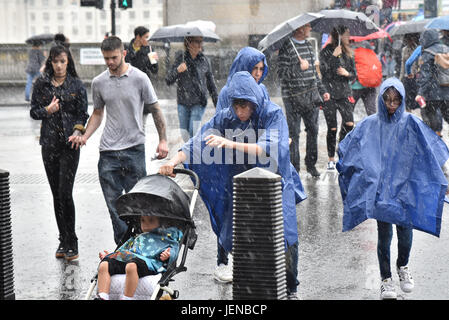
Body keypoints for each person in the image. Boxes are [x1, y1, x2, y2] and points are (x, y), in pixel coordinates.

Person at [159, 71, 307, 299]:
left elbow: (265, 148)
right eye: (236, 107)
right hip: (242, 186)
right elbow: (196, 143)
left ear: (254, 102)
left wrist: (229, 142)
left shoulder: (271, 114)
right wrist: (172, 161)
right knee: (243, 236)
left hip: (275, 184)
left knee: (285, 236)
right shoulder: (225, 117)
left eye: (244, 107)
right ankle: (252, 287)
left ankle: (291, 288)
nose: (240, 112)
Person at [336, 78, 449, 299]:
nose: (391, 105)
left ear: (402, 100)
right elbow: (351, 144)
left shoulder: (411, 123)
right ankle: (386, 279)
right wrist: (344, 163)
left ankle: (402, 266)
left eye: (396, 100)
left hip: (404, 188)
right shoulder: (371, 124)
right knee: (384, 235)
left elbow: (431, 149)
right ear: (381, 99)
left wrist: (445, 173)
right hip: (381, 191)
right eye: (387, 100)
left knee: (405, 232)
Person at [68, 36, 168, 245]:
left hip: (134, 149)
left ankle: (139, 246)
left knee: (139, 204)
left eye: (114, 57)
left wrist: (163, 140)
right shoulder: (99, 82)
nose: (110, 63)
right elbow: (97, 113)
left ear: (123, 53)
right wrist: (85, 136)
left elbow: (155, 109)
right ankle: (124, 247)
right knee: (114, 208)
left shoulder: (140, 78)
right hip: (108, 153)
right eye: (106, 59)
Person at [30, 44, 89, 260]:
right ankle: (62, 239)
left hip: (69, 146)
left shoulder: (77, 85)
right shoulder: (42, 84)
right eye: (55, 61)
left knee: (65, 192)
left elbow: (83, 114)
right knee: (56, 194)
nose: (59, 66)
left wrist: (77, 130)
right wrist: (47, 110)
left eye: (62, 61)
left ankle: (72, 240)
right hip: (49, 145)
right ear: (51, 62)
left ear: (68, 62)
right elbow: (34, 112)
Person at [278, 23, 330, 177]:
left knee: (313, 130)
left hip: (311, 96)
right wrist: (297, 68)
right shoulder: (287, 48)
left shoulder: (308, 45)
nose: (310, 29)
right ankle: (295, 168)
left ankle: (311, 165)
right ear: (300, 28)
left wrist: (323, 90)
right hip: (293, 98)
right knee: (294, 133)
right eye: (307, 26)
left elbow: (314, 73)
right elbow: (281, 74)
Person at [95, 215, 183, 300]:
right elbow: (123, 250)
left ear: (160, 222)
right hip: (129, 258)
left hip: (148, 262)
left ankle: (127, 297)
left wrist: (167, 255)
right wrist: (111, 255)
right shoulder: (137, 237)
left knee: (131, 266)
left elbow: (173, 249)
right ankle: (103, 296)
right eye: (142, 220)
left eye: (151, 220)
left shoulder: (164, 238)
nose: (145, 225)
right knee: (104, 264)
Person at [165, 36, 218, 142]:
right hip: (183, 101)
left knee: (193, 131)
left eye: (201, 42)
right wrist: (178, 70)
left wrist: (218, 104)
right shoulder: (181, 59)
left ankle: (192, 155)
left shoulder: (204, 60)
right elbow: (168, 80)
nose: (200, 45)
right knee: (184, 133)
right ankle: (189, 152)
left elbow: (211, 83)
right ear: (188, 44)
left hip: (199, 101)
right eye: (197, 42)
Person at [319, 25, 356, 171]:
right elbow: (324, 72)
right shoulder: (326, 52)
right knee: (332, 127)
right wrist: (334, 57)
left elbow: (354, 74)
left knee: (349, 123)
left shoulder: (348, 53)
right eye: (346, 34)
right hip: (330, 93)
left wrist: (347, 73)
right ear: (338, 36)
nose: (348, 37)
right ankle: (331, 158)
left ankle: (341, 149)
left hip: (344, 93)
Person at [416, 29, 449, 137]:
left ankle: (436, 135)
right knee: (446, 114)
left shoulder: (428, 53)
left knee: (430, 113)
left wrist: (420, 92)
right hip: (447, 91)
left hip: (433, 92)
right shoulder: (446, 49)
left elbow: (426, 76)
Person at [216, 46, 269, 114]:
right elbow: (220, 121)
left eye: (261, 69)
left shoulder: (261, 89)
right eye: (254, 68)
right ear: (244, 67)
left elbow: (268, 117)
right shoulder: (227, 91)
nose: (258, 73)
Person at [350, 41, 379, 116]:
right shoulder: (368, 45)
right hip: (370, 84)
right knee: (372, 113)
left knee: (348, 114)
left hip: (355, 86)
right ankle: (374, 127)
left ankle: (346, 127)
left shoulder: (351, 48)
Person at [400, 33, 420, 111]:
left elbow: (418, 63)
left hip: (416, 76)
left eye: (411, 39)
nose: (410, 41)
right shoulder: (404, 50)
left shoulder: (418, 49)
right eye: (408, 39)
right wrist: (401, 77)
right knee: (407, 96)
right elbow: (403, 63)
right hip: (407, 76)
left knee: (416, 95)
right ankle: (409, 111)